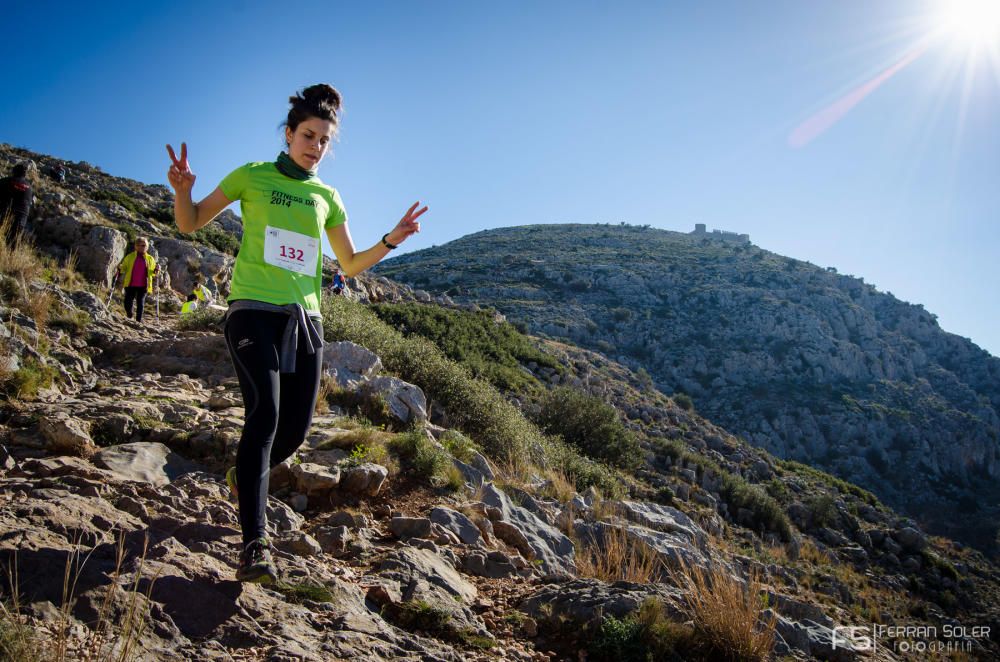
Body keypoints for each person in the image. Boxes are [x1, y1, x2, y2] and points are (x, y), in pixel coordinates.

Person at [166, 83, 427, 584]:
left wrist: (391, 239)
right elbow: (191, 223)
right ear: (288, 134)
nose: (316, 146)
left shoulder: (327, 197)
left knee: (294, 431)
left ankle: (241, 477)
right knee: (264, 412)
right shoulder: (252, 176)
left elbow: (348, 264)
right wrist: (182, 191)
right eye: (308, 135)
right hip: (252, 312)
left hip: (305, 319)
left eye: (325, 140)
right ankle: (254, 546)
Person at [116, 237, 160, 323]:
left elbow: (153, 273)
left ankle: (138, 321)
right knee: (127, 303)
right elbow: (123, 268)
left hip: (144, 285)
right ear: (136, 246)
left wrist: (157, 270)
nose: (144, 247)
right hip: (130, 283)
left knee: (140, 303)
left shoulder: (150, 259)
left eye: (145, 245)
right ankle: (130, 315)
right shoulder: (130, 257)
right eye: (141, 245)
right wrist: (120, 267)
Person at [1, 162, 33, 245]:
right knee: (12, 245)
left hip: (5, 217)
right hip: (21, 221)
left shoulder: (6, 181)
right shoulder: (29, 187)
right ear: (25, 174)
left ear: (14, 172)